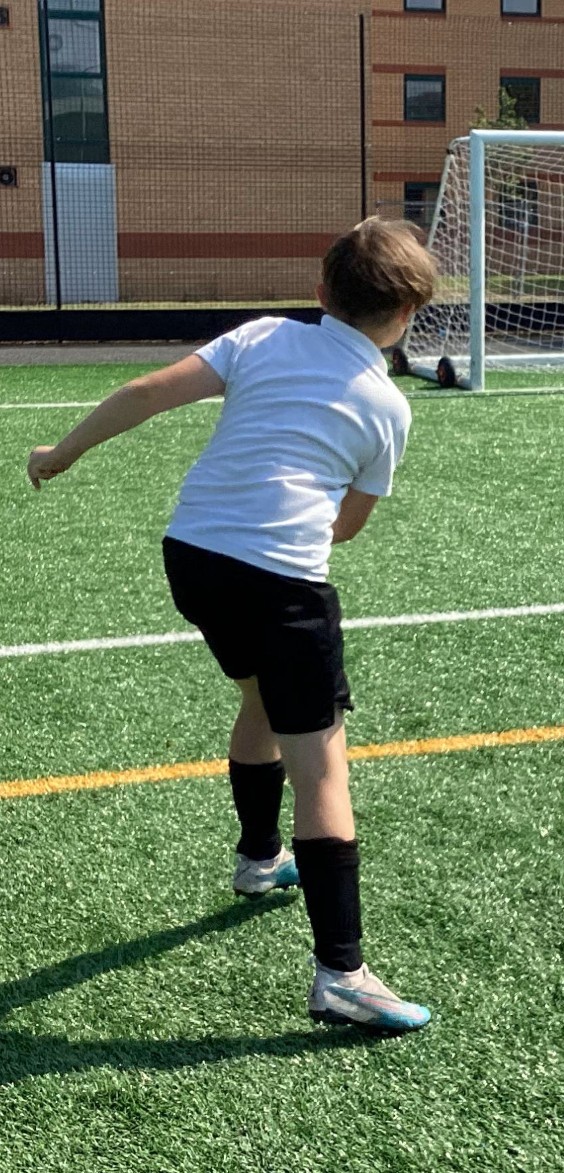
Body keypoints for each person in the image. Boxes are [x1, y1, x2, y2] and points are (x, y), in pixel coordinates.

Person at [27, 218, 436, 1036]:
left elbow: (146, 391)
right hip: (281, 584)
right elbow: (345, 529)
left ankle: (259, 861)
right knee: (322, 770)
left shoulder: (263, 336)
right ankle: (342, 974)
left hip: (193, 559)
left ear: (320, 294)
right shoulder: (387, 407)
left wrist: (61, 452)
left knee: (259, 698)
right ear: (408, 316)